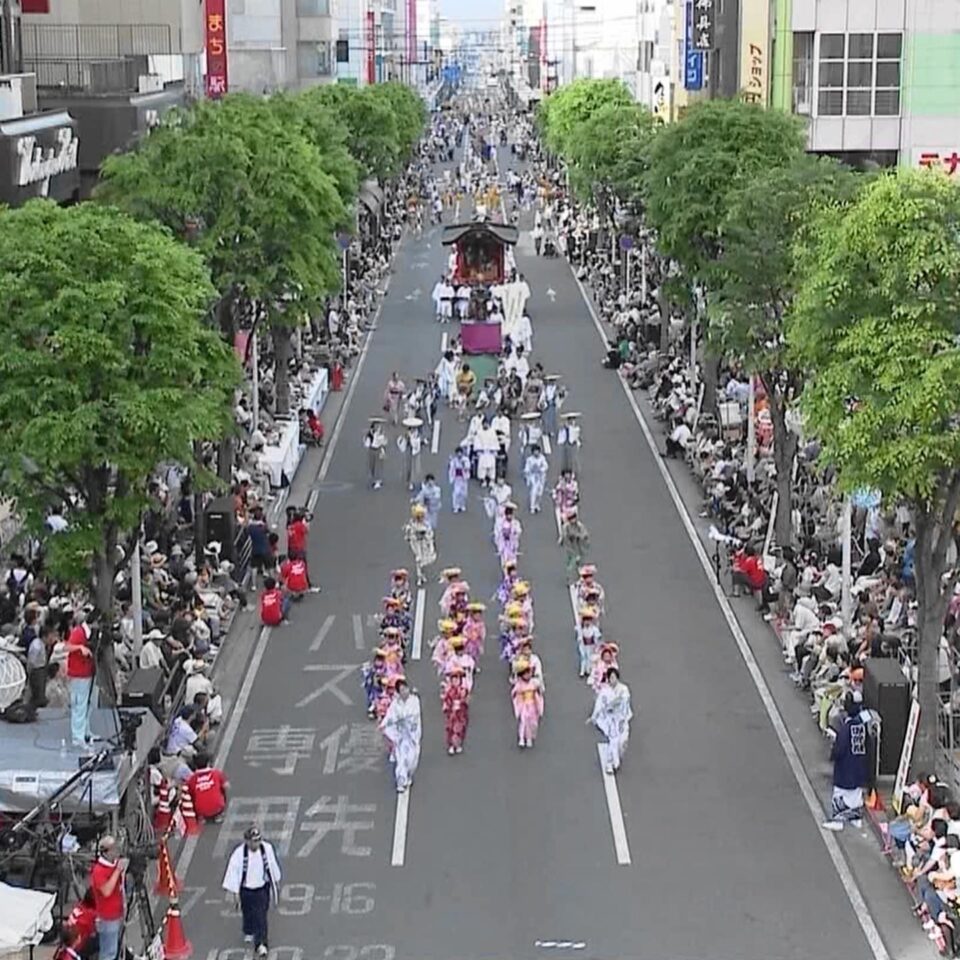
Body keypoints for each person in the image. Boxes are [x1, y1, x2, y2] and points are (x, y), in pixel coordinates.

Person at [222, 825, 282, 957]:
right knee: (248, 912)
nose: (256, 844)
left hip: (262, 888)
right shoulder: (239, 854)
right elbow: (233, 873)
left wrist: (276, 883)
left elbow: (272, 865)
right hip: (246, 889)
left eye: (258, 840)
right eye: (253, 841)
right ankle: (248, 929)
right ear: (247, 841)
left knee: (261, 916)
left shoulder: (266, 849)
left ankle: (261, 943)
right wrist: (235, 894)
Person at [823, 692, 869, 830]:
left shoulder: (846, 728)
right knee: (855, 795)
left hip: (845, 767)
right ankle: (855, 818)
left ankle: (838, 820)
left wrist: (832, 753)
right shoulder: (863, 724)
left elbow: (839, 749)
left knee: (840, 794)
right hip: (859, 766)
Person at [380, 677, 422, 792]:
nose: (405, 692)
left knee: (412, 760)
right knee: (401, 759)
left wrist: (405, 719)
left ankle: (408, 775)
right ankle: (401, 781)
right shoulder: (395, 704)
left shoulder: (414, 700)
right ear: (398, 692)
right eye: (402, 690)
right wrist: (386, 725)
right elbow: (390, 716)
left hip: (412, 736)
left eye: (405, 689)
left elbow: (415, 715)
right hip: (401, 736)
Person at [589, 668, 633, 774]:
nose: (613, 679)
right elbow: (599, 704)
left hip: (621, 719)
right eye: (611, 677)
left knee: (622, 741)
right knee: (613, 740)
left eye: (614, 677)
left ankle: (616, 757)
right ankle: (610, 763)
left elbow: (623, 700)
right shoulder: (605, 692)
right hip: (610, 720)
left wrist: (613, 705)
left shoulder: (623, 689)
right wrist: (594, 716)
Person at [89, 836, 125, 960]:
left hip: (117, 914)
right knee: (108, 953)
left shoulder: (114, 864)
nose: (117, 850)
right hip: (107, 918)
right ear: (106, 852)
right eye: (114, 848)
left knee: (114, 949)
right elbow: (106, 891)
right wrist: (118, 871)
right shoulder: (98, 871)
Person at [66, 612, 95, 747]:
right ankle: (77, 737)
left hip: (87, 672)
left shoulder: (89, 634)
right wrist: (80, 647)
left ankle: (86, 732)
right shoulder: (78, 632)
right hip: (78, 674)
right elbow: (67, 646)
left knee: (88, 704)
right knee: (79, 705)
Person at [186, 751, 229, 823]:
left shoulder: (192, 779)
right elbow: (226, 786)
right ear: (208, 763)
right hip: (217, 808)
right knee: (222, 788)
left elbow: (189, 792)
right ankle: (219, 815)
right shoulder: (216, 773)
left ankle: (201, 816)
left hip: (200, 810)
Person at [511, 661, 544, 748]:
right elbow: (514, 693)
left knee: (532, 722)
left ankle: (529, 738)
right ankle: (521, 738)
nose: (528, 675)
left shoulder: (534, 683)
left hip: (532, 704)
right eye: (526, 674)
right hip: (524, 705)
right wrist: (519, 695)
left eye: (529, 673)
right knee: (523, 721)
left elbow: (539, 691)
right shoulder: (519, 684)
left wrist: (538, 692)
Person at [403, 504, 436, 587]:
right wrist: (410, 535)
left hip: (424, 544)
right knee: (418, 560)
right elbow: (409, 533)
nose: (420, 518)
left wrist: (427, 537)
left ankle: (422, 573)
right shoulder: (412, 524)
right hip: (417, 544)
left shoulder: (426, 524)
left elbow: (430, 533)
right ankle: (419, 577)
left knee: (424, 560)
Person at [441, 668, 469, 755]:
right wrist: (447, 706)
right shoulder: (449, 691)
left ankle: (458, 744)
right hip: (452, 714)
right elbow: (446, 700)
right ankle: (451, 745)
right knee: (451, 729)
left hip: (460, 714)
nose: (456, 681)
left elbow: (466, 700)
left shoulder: (463, 690)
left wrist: (462, 702)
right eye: (454, 680)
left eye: (457, 679)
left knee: (460, 729)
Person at [559, 507, 590, 581]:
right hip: (571, 549)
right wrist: (563, 540)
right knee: (571, 564)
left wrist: (578, 536)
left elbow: (585, 535)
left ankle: (581, 578)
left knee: (580, 564)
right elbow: (564, 536)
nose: (573, 520)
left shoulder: (580, 526)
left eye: (574, 517)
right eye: (570, 518)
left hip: (579, 548)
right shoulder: (566, 527)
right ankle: (570, 579)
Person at [523, 444, 548, 514]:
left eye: (537, 451)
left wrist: (541, 469)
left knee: (540, 493)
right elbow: (527, 468)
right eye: (535, 451)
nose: (536, 453)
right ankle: (532, 507)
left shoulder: (542, 458)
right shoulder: (529, 459)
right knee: (533, 491)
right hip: (533, 477)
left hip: (540, 477)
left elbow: (546, 466)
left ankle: (537, 504)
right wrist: (527, 473)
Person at [364, 417, 388, 490]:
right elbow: (367, 443)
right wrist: (368, 438)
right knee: (372, 465)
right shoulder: (370, 434)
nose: (378, 428)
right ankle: (374, 478)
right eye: (376, 426)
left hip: (378, 450)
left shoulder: (381, 435)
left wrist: (381, 438)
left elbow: (384, 442)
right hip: (371, 450)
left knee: (378, 465)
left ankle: (378, 481)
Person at [448, 447, 470, 514]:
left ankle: (462, 505)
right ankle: (456, 506)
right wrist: (451, 478)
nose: (459, 454)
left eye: (460, 453)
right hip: (457, 478)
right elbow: (451, 469)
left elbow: (468, 468)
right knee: (456, 492)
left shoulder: (466, 459)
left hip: (464, 478)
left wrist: (463, 464)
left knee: (464, 493)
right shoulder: (454, 461)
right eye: (458, 453)